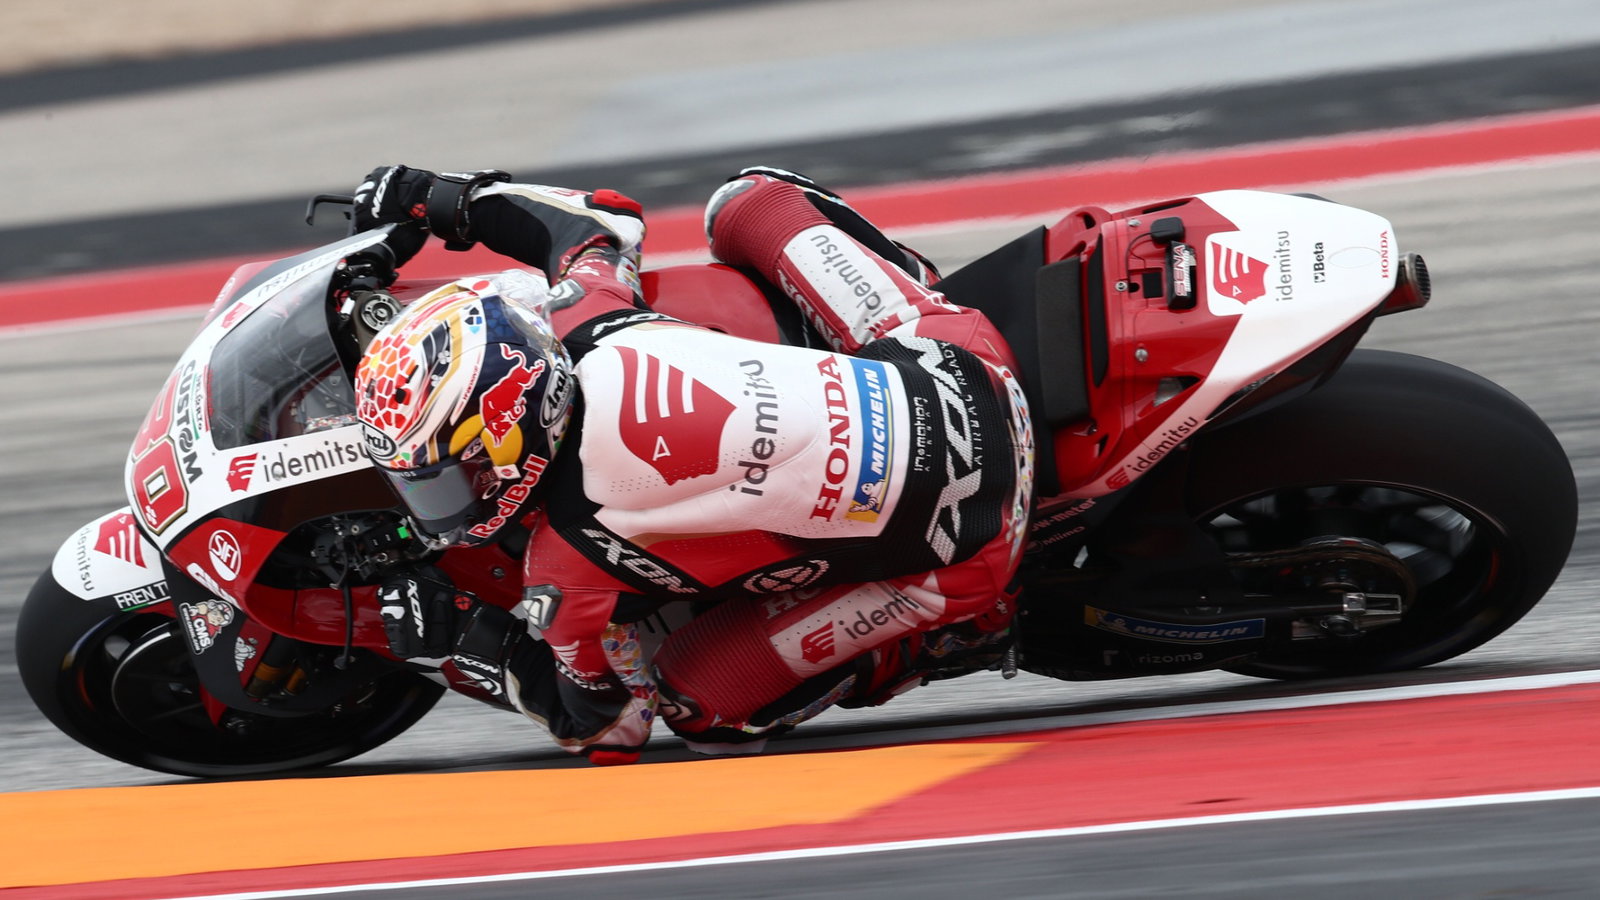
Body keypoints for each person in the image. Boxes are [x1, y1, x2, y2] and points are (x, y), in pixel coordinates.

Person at [354, 164, 1035, 764]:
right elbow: (603, 221)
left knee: (698, 711)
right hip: (967, 359)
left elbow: (615, 723)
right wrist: (440, 197)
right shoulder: (588, 320)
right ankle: (912, 286)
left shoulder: (562, 566)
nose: (436, 509)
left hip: (967, 560)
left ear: (504, 434)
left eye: (448, 477)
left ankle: (942, 638)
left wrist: (467, 642)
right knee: (745, 200)